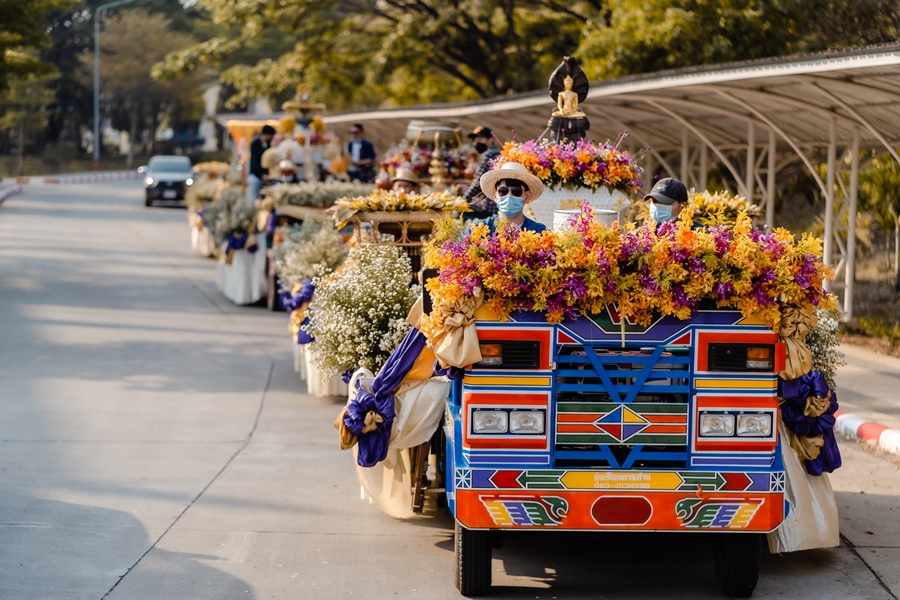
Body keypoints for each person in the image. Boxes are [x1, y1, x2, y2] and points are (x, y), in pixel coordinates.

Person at [476, 162, 547, 235]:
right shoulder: (478, 230)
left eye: (516, 191)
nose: (509, 196)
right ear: (495, 195)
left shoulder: (539, 233)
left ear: (527, 196)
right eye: (503, 191)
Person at [464, 125, 501, 219]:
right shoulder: (496, 153)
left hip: (488, 206)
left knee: (462, 217)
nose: (476, 142)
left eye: (480, 139)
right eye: (475, 140)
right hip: (493, 205)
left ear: (490, 140)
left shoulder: (490, 154)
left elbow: (478, 182)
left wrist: (463, 200)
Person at [248, 125, 275, 204]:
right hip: (255, 176)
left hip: (264, 176)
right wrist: (261, 174)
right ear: (266, 134)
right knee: (253, 199)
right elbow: (254, 161)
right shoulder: (255, 143)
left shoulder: (268, 144)